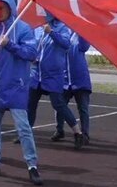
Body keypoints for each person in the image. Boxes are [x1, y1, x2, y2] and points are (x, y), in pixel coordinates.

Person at [0, 0, 43, 185]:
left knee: (23, 129)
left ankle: (32, 166)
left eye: (2, 7)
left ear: (10, 7)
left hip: (15, 88)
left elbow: (31, 53)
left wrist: (10, 45)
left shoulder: (22, 28)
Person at [27, 14, 81, 146]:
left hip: (53, 75)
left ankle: (77, 132)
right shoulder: (37, 27)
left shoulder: (62, 27)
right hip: (36, 73)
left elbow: (66, 44)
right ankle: (26, 134)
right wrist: (32, 56)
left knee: (58, 104)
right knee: (30, 104)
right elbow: (33, 45)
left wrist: (51, 33)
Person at [57, 31, 92, 147]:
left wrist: (80, 30)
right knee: (60, 105)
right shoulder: (62, 32)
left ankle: (85, 134)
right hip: (65, 79)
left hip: (80, 79)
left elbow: (84, 47)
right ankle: (59, 130)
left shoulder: (80, 34)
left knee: (83, 108)